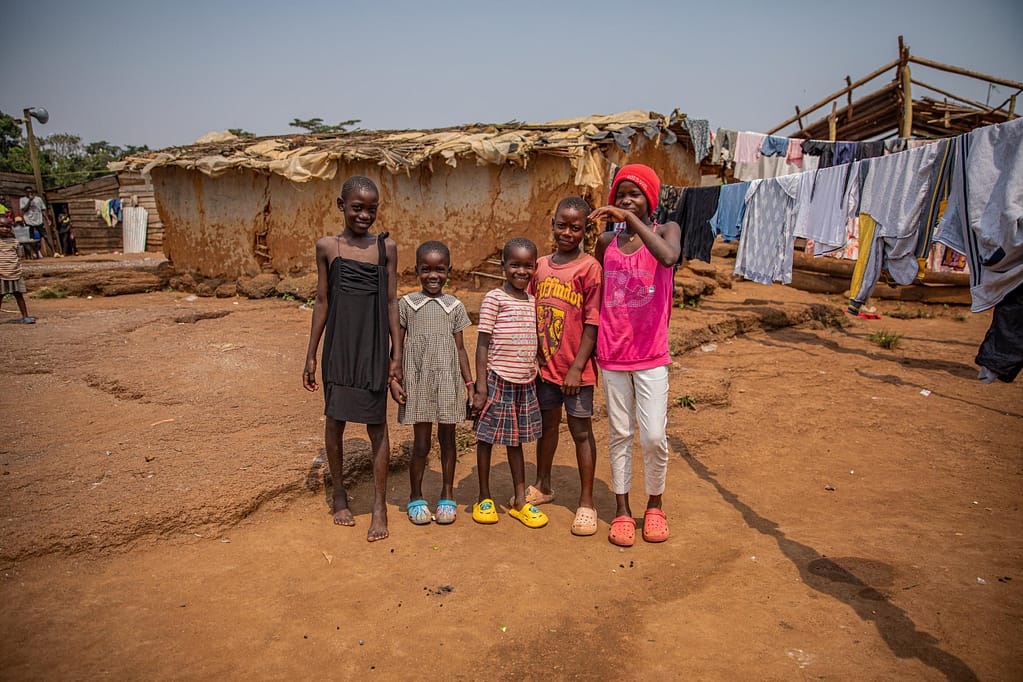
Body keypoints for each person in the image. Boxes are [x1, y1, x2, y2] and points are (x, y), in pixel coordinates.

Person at [302, 176, 401, 542]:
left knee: (377, 426)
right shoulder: (328, 247)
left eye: (371, 209)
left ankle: (379, 505)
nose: (364, 215)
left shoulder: (385, 248)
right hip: (340, 347)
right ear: (341, 205)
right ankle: (339, 493)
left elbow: (391, 302)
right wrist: (311, 354)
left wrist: (397, 354)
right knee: (336, 421)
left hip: (373, 347)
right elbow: (322, 301)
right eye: (357, 207)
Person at [591, 164, 681, 547]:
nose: (627, 200)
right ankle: (623, 510)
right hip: (612, 352)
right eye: (621, 194)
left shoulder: (665, 231)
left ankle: (655, 504)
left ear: (651, 200)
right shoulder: (605, 241)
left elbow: (668, 258)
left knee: (654, 436)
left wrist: (630, 219)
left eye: (636, 194)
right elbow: (594, 289)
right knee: (620, 435)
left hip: (651, 352)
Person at [527, 197, 603, 536]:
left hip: (576, 370)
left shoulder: (590, 269)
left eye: (575, 227)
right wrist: (533, 352)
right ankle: (543, 484)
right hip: (545, 368)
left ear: (586, 229)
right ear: (552, 223)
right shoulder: (540, 266)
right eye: (562, 225)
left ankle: (586, 502)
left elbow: (592, 322)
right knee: (546, 427)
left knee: (581, 431)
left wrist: (577, 367)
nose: (567, 232)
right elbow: (530, 309)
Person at [391, 240, 474, 525]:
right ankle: (416, 497)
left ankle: (447, 496)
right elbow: (397, 347)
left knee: (448, 440)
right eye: (426, 269)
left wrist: (470, 384)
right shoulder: (407, 305)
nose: (433, 275)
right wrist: (394, 378)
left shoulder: (455, 307)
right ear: (416, 270)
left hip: (448, 382)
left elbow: (460, 349)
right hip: (418, 382)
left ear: (449, 270)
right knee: (422, 443)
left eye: (439, 269)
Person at [472, 238, 547, 528]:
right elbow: (482, 345)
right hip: (497, 379)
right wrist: (481, 385)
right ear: (503, 266)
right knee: (486, 439)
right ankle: (484, 497)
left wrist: (536, 365)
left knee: (516, 442)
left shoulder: (533, 301)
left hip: (524, 383)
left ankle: (519, 501)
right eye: (514, 264)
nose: (521, 271)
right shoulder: (494, 298)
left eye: (528, 266)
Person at [0, 214, 35, 323]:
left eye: (8, 226)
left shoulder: (14, 241)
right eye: (2, 226)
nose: (5, 229)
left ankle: (25, 317)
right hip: (1, 273)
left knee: (19, 295)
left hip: (14, 272)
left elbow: (18, 255)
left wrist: (18, 267)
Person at [19, 187, 53, 257]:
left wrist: (47, 219)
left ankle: (54, 252)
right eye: (28, 192)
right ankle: (35, 253)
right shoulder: (22, 200)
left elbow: (42, 210)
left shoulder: (38, 199)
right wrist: (29, 201)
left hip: (39, 220)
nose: (30, 193)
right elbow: (24, 210)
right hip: (29, 221)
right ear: (25, 193)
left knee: (45, 236)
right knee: (31, 238)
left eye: (31, 192)